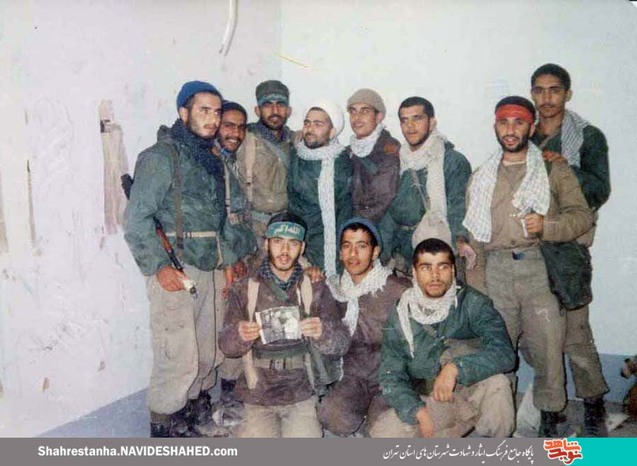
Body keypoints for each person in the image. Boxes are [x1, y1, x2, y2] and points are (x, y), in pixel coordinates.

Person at [463, 96, 593, 437]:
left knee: (549, 347)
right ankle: (500, 420)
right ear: (495, 126)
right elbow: (475, 237)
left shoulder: (552, 170)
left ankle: (550, 418)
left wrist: (547, 226)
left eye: (518, 122)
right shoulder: (481, 176)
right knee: (498, 350)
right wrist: (476, 285)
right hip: (495, 272)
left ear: (531, 127)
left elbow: (581, 217)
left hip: (539, 270)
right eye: (503, 122)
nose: (510, 129)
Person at [124, 81, 238, 437]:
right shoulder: (160, 157)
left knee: (206, 349)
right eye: (204, 110)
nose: (213, 118)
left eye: (217, 111)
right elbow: (136, 219)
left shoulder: (212, 158)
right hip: (174, 267)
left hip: (209, 267)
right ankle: (163, 424)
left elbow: (221, 219)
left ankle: (190, 412)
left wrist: (228, 261)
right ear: (183, 112)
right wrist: (159, 267)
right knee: (176, 352)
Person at [530, 63, 611, 436]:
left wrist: (566, 168)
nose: (546, 98)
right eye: (539, 90)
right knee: (542, 332)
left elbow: (599, 189)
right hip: (532, 246)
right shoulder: (524, 133)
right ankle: (550, 408)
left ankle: (593, 404)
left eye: (554, 90)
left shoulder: (587, 137)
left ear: (568, 93)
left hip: (570, 245)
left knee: (577, 331)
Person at [218, 212, 350, 437]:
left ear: (302, 247)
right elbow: (226, 345)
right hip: (258, 392)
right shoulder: (245, 288)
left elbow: (342, 343)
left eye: (293, 243)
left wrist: (323, 332)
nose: (285, 250)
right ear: (267, 244)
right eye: (278, 242)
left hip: (300, 391)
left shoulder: (315, 287)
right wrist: (239, 335)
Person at [373, 238, 516, 438]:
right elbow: (390, 375)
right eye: (426, 268)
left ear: (453, 270)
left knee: (499, 384)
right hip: (433, 399)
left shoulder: (473, 303)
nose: (435, 275)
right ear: (414, 272)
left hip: (473, 389)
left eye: (443, 267)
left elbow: (504, 353)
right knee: (384, 433)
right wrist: (416, 411)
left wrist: (456, 368)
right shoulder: (400, 314)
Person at [318, 217, 409, 436]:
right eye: (347, 246)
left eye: (361, 246)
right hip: (355, 376)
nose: (353, 254)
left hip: (390, 377)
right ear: (340, 253)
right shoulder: (334, 289)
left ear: (375, 252)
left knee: (381, 432)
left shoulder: (397, 289)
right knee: (331, 417)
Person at [380, 97, 472, 274]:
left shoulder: (452, 161)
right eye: (404, 120)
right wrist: (383, 255)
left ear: (432, 123)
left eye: (417, 118)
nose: (410, 126)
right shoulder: (397, 162)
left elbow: (458, 205)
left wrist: (460, 240)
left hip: (439, 253)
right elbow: (390, 212)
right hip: (403, 257)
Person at [211, 101, 257, 415]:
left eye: (241, 127)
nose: (235, 133)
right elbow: (215, 218)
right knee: (226, 324)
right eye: (229, 125)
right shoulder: (212, 163)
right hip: (225, 258)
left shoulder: (232, 160)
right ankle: (225, 395)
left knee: (239, 318)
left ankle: (232, 390)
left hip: (241, 252)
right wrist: (230, 259)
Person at [287, 100, 352, 276]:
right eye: (307, 123)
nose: (310, 129)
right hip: (299, 242)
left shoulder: (343, 163)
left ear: (332, 131)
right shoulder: (295, 156)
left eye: (318, 124)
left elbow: (345, 211)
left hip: (332, 245)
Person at [236, 80, 293, 271]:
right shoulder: (242, 138)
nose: (275, 110)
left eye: (281, 104)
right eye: (268, 104)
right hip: (252, 232)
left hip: (285, 230)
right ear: (257, 110)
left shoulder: (296, 141)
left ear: (289, 111)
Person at [346, 89, 400, 226]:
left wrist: (354, 227)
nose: (357, 118)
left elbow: (381, 199)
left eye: (365, 111)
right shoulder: (349, 151)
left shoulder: (388, 150)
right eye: (352, 111)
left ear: (379, 116)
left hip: (376, 230)